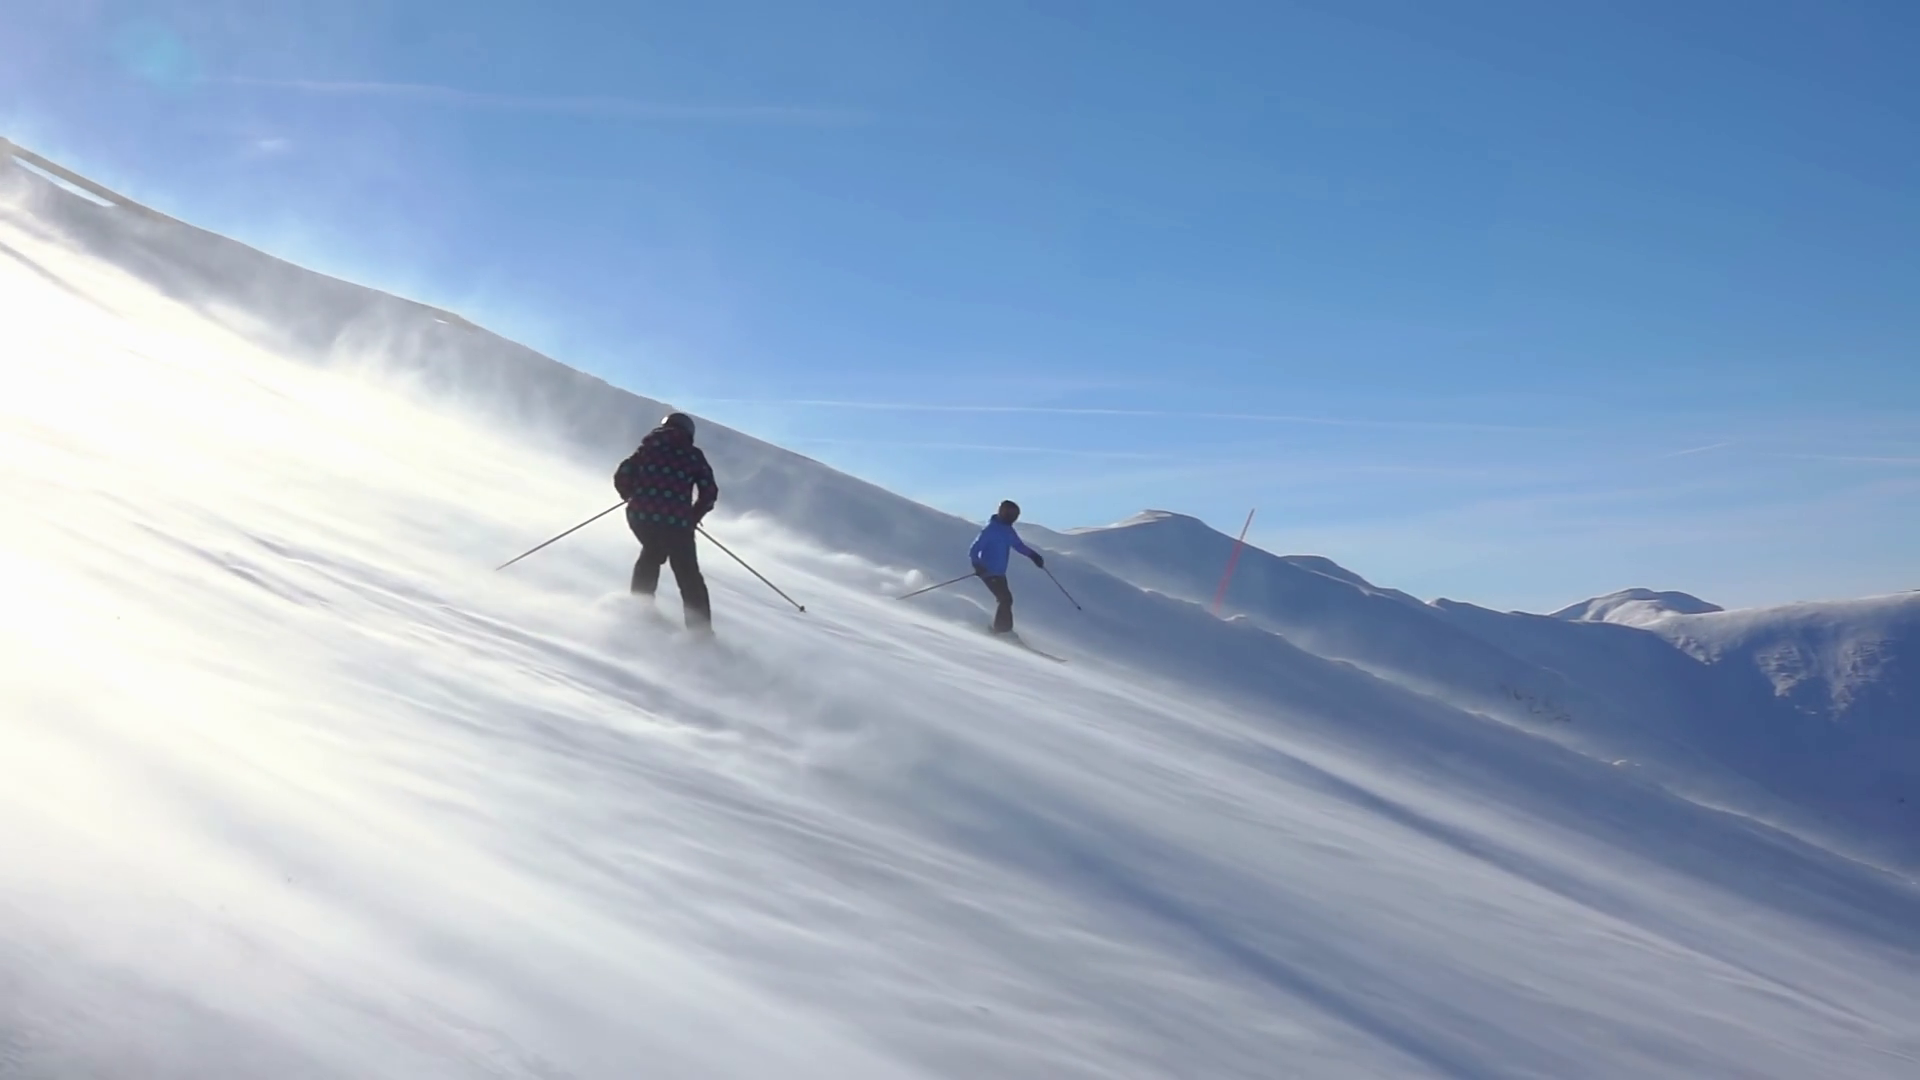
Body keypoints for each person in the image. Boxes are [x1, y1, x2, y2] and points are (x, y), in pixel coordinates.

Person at [614, 411, 718, 632]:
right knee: (687, 573)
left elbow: (622, 474)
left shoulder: (647, 448)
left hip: (640, 517)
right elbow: (709, 492)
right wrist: (693, 516)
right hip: (676, 522)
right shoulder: (692, 455)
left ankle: (639, 612)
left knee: (651, 553)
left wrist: (631, 495)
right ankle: (700, 633)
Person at [969, 499, 1044, 634]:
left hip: (999, 573)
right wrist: (977, 565)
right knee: (1005, 599)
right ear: (1003, 513)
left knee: (1006, 599)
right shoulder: (991, 530)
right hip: (988, 572)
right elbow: (974, 550)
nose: (1013, 519)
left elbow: (1018, 545)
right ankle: (1002, 631)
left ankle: (1003, 629)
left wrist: (1033, 556)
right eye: (1011, 515)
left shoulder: (1007, 530)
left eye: (1015, 516)